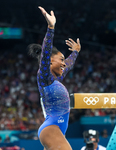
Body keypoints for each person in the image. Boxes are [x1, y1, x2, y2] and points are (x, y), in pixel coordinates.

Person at [28, 6, 81, 150]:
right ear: (50, 61)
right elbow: (45, 53)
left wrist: (75, 52)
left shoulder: (56, 80)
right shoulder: (45, 78)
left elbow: (68, 65)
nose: (64, 63)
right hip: (51, 129)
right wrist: (51, 27)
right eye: (61, 59)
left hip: (57, 130)